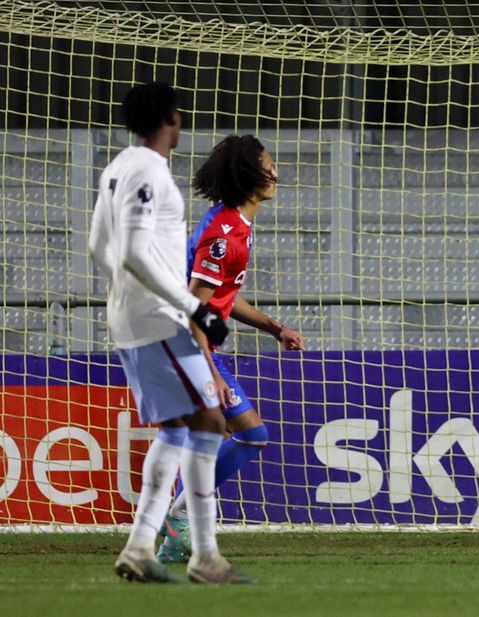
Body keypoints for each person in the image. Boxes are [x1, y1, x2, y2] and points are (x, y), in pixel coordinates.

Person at [88, 81, 252, 584]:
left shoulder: (116, 167)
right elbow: (135, 252)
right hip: (159, 317)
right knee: (210, 422)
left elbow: (98, 246)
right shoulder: (150, 171)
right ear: (171, 119)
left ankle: (141, 546)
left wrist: (129, 295)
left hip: (133, 316)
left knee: (181, 427)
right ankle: (203, 556)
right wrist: (187, 307)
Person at [157, 134, 305, 565]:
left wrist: (274, 328)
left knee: (234, 437)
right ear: (248, 175)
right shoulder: (225, 237)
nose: (275, 173)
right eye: (268, 165)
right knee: (248, 434)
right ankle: (178, 517)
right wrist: (214, 375)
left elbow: (224, 297)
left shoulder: (234, 226)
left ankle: (174, 537)